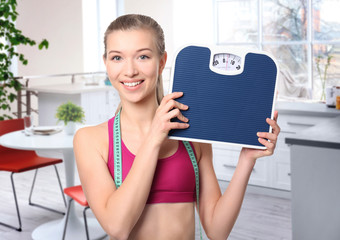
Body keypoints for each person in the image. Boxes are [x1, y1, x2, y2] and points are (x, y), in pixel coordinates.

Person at [74, 14, 281, 240]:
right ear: (106, 63)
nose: (130, 70)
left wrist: (246, 160)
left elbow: (217, 230)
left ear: (162, 62)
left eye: (143, 56)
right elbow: (117, 227)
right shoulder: (90, 140)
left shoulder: (194, 136)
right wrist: (154, 138)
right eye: (117, 58)